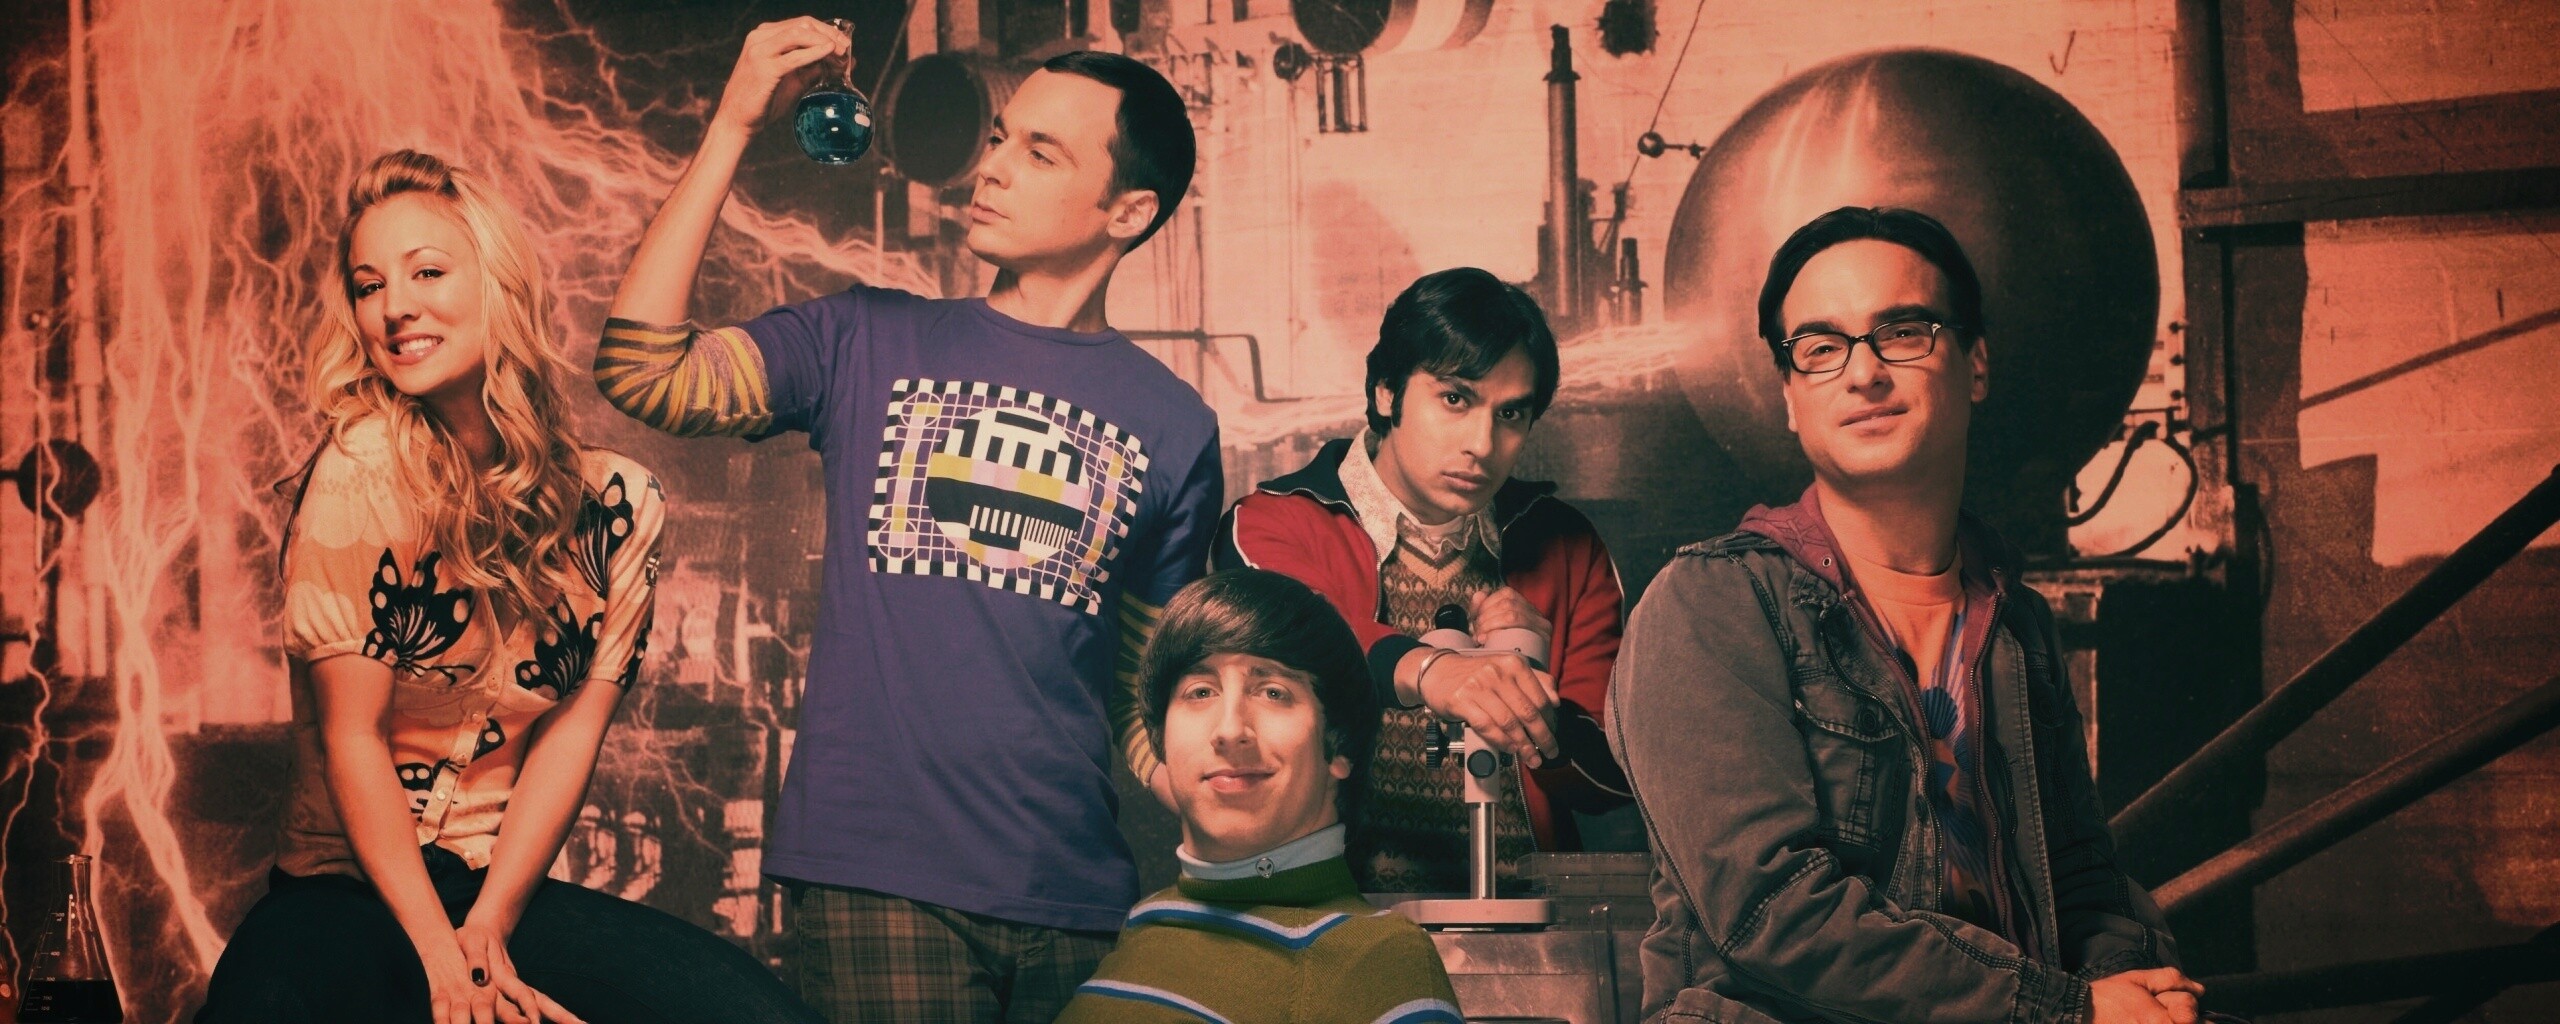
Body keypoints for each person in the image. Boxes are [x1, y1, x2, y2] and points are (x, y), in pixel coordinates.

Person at [592, 20, 1222, 1022]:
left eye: (1040, 152)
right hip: (880, 881)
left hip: (1078, 898)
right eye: (1001, 137)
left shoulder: (1175, 425)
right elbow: (644, 370)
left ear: (1128, 210)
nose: (992, 166)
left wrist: (1233, 800)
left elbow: (1146, 696)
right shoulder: (863, 340)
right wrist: (735, 123)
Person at [198, 150, 819, 1024]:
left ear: (498, 283)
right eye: (369, 286)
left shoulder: (620, 505)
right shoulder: (360, 469)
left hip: (498, 892)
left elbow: (571, 735)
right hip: (344, 892)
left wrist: (488, 928)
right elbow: (353, 738)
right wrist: (443, 964)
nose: (394, 306)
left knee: (754, 1015)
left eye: (427, 272)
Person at [1607, 207, 2204, 1024]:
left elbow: (2083, 881)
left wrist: (2133, 987)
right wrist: (2069, 1011)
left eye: (1903, 333)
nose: (1863, 373)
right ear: (1790, 397)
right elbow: (1772, 915)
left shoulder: (2015, 624)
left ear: (1975, 364)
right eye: (1821, 348)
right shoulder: (1714, 605)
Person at [1208, 268, 1628, 892]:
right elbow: (1303, 639)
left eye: (1510, 413)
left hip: (1527, 917)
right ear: (1386, 392)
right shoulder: (1273, 523)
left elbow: (1612, 782)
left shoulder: (1566, 546)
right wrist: (1433, 671)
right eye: (1455, 399)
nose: (1482, 444)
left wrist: (1533, 693)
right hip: (1333, 918)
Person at [1056, 570, 1462, 1024]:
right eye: (1200, 692)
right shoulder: (1145, 922)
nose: (1230, 729)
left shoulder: (1378, 962)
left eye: (1273, 692)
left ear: (1339, 747)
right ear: (1161, 740)